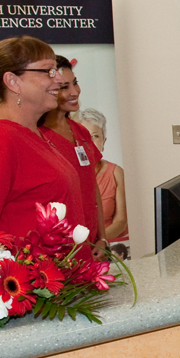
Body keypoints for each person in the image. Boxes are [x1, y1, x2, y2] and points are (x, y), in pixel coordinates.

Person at [0, 36, 88, 239]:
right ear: (13, 82)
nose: (59, 79)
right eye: (48, 71)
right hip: (32, 270)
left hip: (65, 269)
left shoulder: (29, 130)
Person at [39, 56, 105, 245]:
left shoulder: (81, 131)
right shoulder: (38, 136)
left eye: (75, 83)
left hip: (91, 243)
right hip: (61, 248)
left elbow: (92, 187)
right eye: (64, 87)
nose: (75, 91)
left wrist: (102, 238)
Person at [77, 108, 129, 252]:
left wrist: (100, 242)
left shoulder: (116, 172)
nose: (90, 141)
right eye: (84, 135)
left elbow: (121, 222)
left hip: (112, 248)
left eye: (95, 136)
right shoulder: (69, 175)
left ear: (104, 141)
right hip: (79, 248)